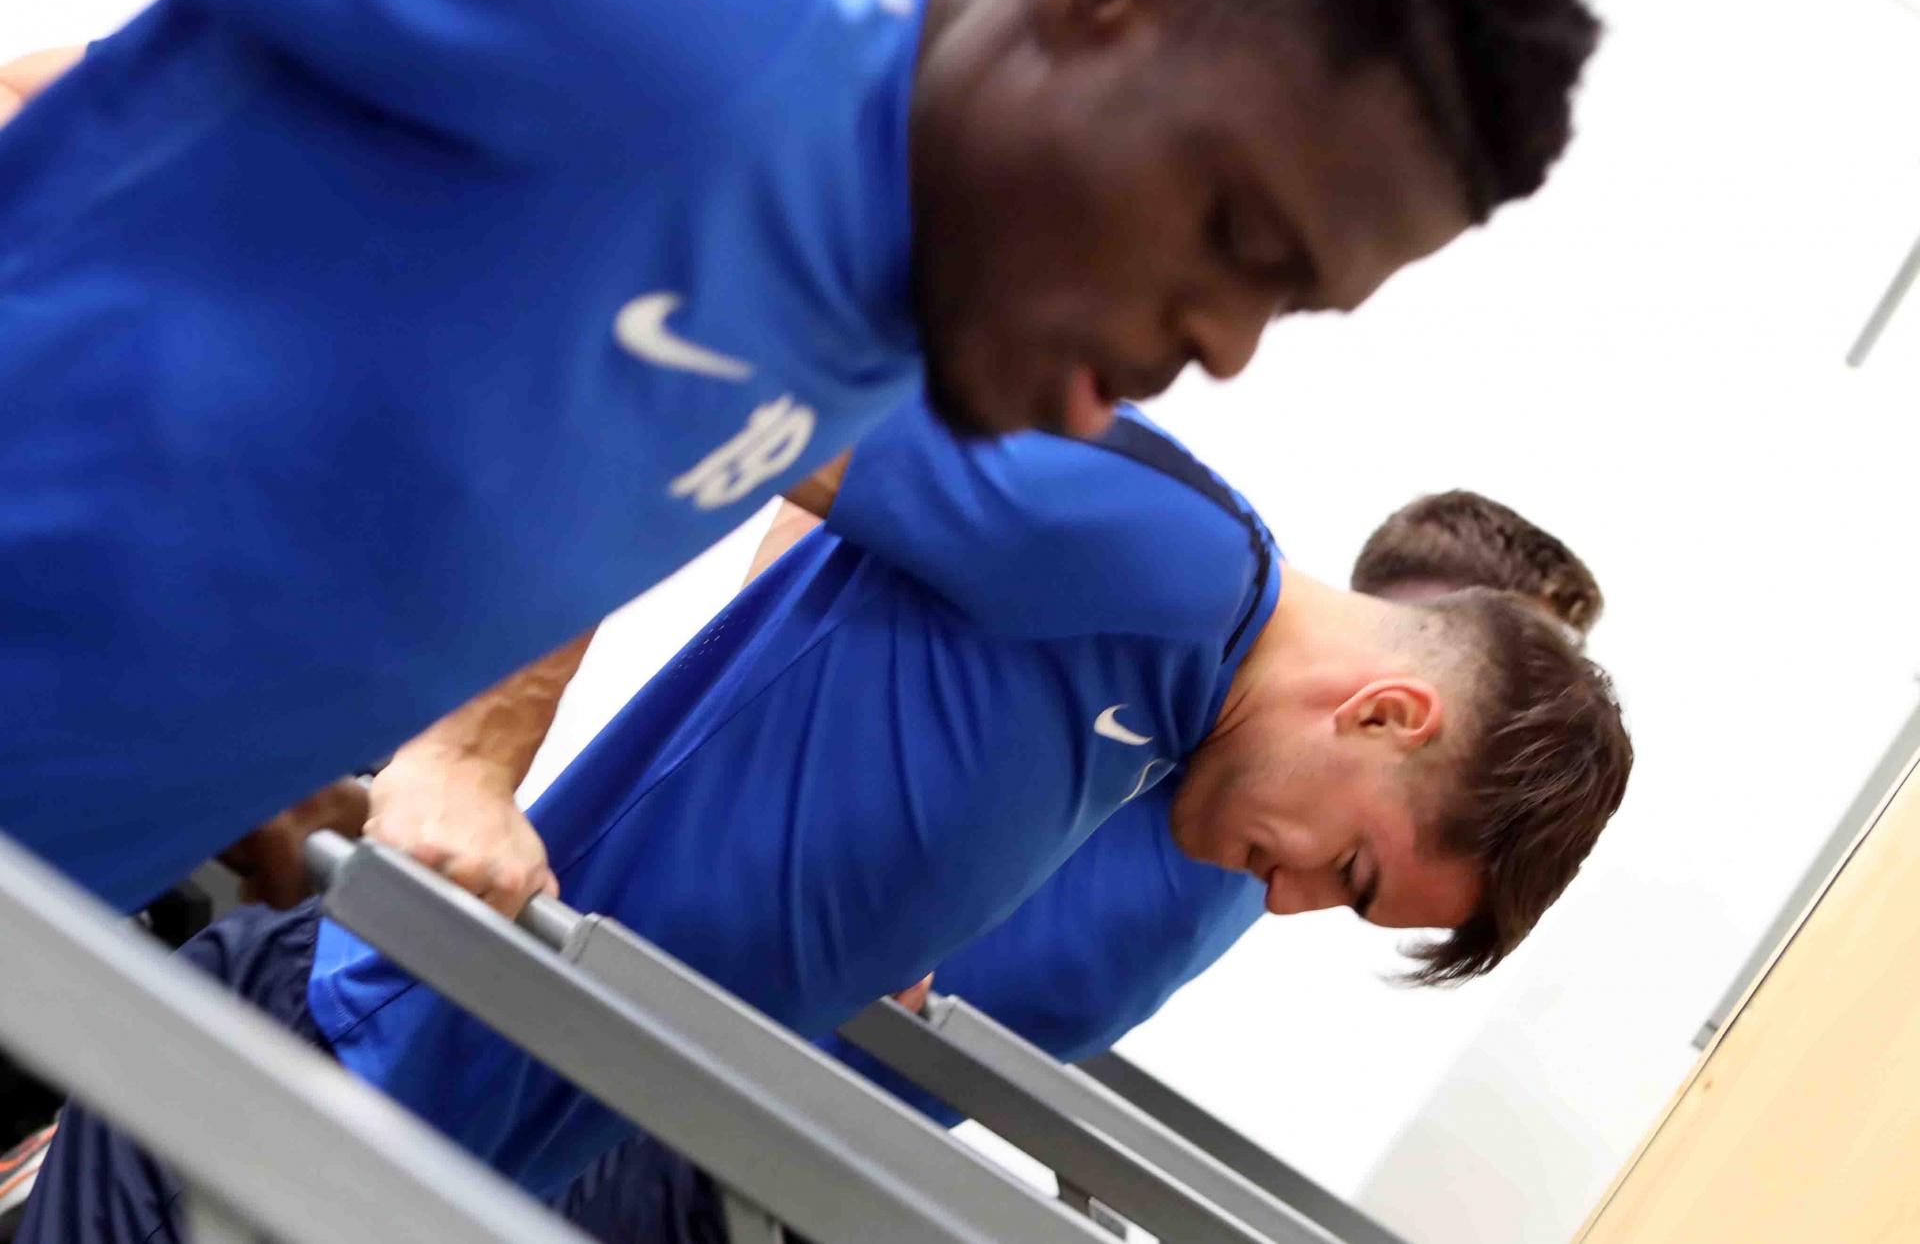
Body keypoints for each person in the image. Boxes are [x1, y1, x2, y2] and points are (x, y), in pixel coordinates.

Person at [0, 0, 1601, 909]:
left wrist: (235, 751)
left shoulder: (905, 324)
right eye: (1237, 236)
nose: (1230, 344)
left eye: (1289, 303)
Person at [16, 400, 1631, 1243]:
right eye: (1352, 871)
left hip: (453, 1170)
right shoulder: (1159, 553)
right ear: (1387, 714)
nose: (1291, 901)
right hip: (343, 1062)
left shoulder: (1183, 705)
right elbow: (701, 388)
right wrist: (470, 757)